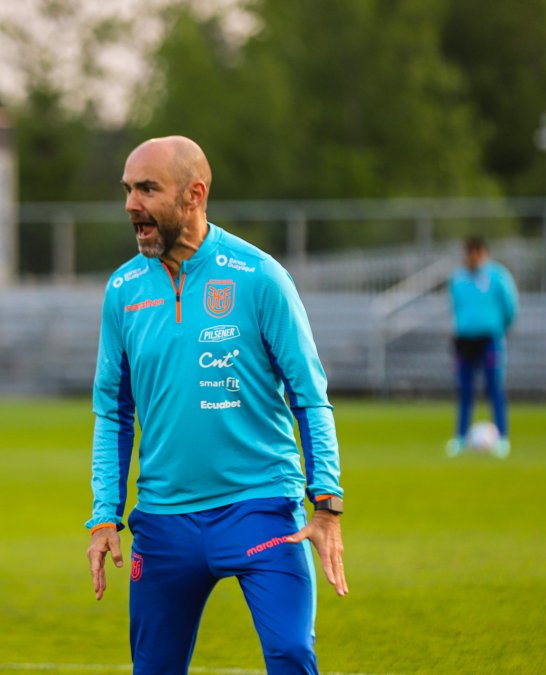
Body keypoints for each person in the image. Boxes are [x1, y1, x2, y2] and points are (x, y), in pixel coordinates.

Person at [86, 136, 347, 674]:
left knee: (292, 652)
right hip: (163, 523)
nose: (132, 204)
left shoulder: (259, 278)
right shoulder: (123, 290)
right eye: (128, 189)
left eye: (148, 188)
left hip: (261, 508)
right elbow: (114, 413)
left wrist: (327, 504)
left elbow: (310, 397)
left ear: (194, 195)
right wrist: (103, 518)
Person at [445, 236, 519, 458]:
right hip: (465, 342)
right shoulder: (457, 279)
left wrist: (500, 328)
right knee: (465, 390)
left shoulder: (497, 276)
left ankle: (502, 438)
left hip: (489, 340)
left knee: (494, 388)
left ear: (483, 253)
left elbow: (510, 307)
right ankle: (460, 438)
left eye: (474, 253)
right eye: (467, 253)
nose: (470, 258)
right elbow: (456, 307)